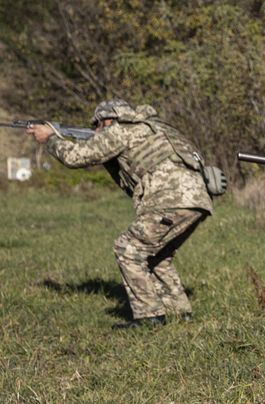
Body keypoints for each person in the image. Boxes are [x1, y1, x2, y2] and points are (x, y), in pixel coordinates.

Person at [29, 100, 212, 329]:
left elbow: (75, 157)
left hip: (169, 200)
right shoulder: (157, 129)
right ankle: (179, 312)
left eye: (97, 127)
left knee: (128, 248)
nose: (97, 132)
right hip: (197, 201)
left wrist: (50, 138)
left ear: (107, 120)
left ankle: (149, 317)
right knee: (156, 255)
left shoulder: (121, 130)